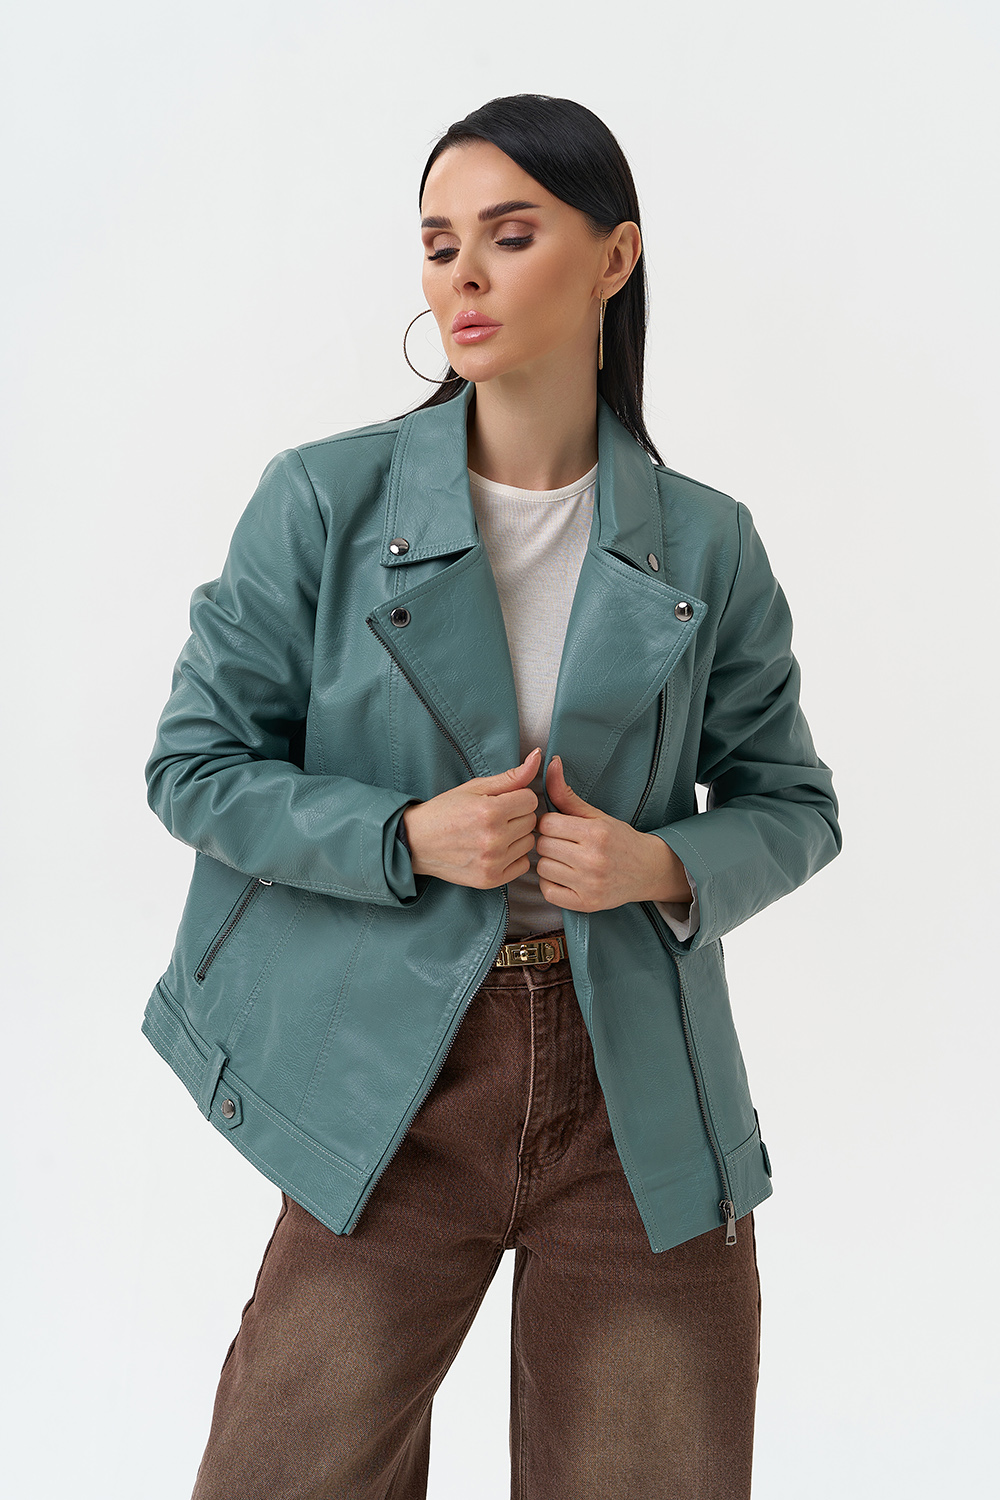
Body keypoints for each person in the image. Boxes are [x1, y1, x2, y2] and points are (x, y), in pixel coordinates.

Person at [143, 94, 842, 1499]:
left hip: (637, 1087)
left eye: (510, 235)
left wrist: (659, 866)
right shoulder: (323, 502)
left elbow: (793, 803)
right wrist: (405, 836)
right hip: (390, 1072)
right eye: (439, 243)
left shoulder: (708, 542)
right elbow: (195, 766)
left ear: (615, 256)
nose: (462, 274)